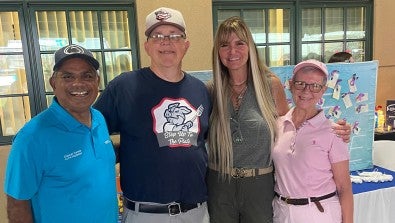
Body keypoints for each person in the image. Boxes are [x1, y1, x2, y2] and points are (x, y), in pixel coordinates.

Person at [207, 16, 351, 223]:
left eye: (240, 43)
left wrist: (337, 131)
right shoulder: (212, 90)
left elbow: (288, 126)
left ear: (250, 47)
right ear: (217, 51)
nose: (232, 51)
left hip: (259, 184)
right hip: (220, 183)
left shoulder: (270, 85)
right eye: (224, 45)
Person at [93, 7, 211, 223]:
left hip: (197, 212)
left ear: (186, 45)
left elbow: (204, 142)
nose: (166, 42)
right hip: (146, 214)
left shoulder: (200, 90)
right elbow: (92, 133)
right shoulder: (124, 87)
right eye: (157, 36)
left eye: (174, 36)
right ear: (147, 46)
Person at [4, 44, 118, 223]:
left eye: (87, 76)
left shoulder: (98, 119)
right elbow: (17, 204)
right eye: (68, 76)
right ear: (53, 83)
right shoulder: (32, 137)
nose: (78, 84)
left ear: (97, 81)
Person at [272, 59, 353, 223]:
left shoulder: (334, 132)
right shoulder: (277, 125)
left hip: (318, 213)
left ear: (323, 90)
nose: (306, 90)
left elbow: (344, 187)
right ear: (290, 84)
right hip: (281, 212)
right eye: (300, 83)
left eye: (315, 86)